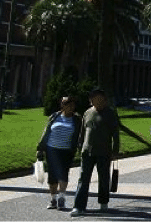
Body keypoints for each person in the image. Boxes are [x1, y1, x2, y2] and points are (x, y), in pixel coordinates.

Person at [70, 88, 120, 217]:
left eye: (98, 98)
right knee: (83, 179)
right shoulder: (87, 113)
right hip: (87, 152)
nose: (95, 101)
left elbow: (115, 134)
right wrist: (80, 146)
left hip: (104, 152)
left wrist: (115, 151)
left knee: (103, 179)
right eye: (93, 99)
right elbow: (82, 131)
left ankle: (103, 202)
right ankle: (78, 206)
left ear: (104, 100)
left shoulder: (110, 114)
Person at [36, 95, 80, 211]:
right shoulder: (55, 116)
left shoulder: (77, 119)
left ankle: (61, 199)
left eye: (72, 104)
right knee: (52, 177)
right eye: (66, 104)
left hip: (66, 151)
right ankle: (53, 199)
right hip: (51, 150)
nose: (70, 106)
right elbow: (46, 132)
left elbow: (80, 136)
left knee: (63, 175)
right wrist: (40, 147)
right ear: (62, 105)